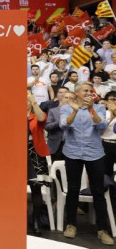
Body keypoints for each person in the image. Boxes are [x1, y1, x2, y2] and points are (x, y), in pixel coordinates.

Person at [59, 81, 114, 245]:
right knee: (73, 189)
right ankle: (71, 225)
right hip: (73, 152)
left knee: (98, 191)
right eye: (86, 90)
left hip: (94, 153)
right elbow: (64, 124)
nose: (89, 93)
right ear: (77, 93)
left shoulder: (98, 108)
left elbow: (102, 125)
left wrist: (90, 109)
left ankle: (102, 230)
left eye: (91, 91)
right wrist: (75, 111)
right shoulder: (67, 107)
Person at [27, 90, 50, 236]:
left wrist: (34, 101)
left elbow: (42, 119)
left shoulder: (37, 115)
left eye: (28, 99)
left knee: (36, 189)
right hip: (17, 153)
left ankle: (35, 221)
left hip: (34, 152)